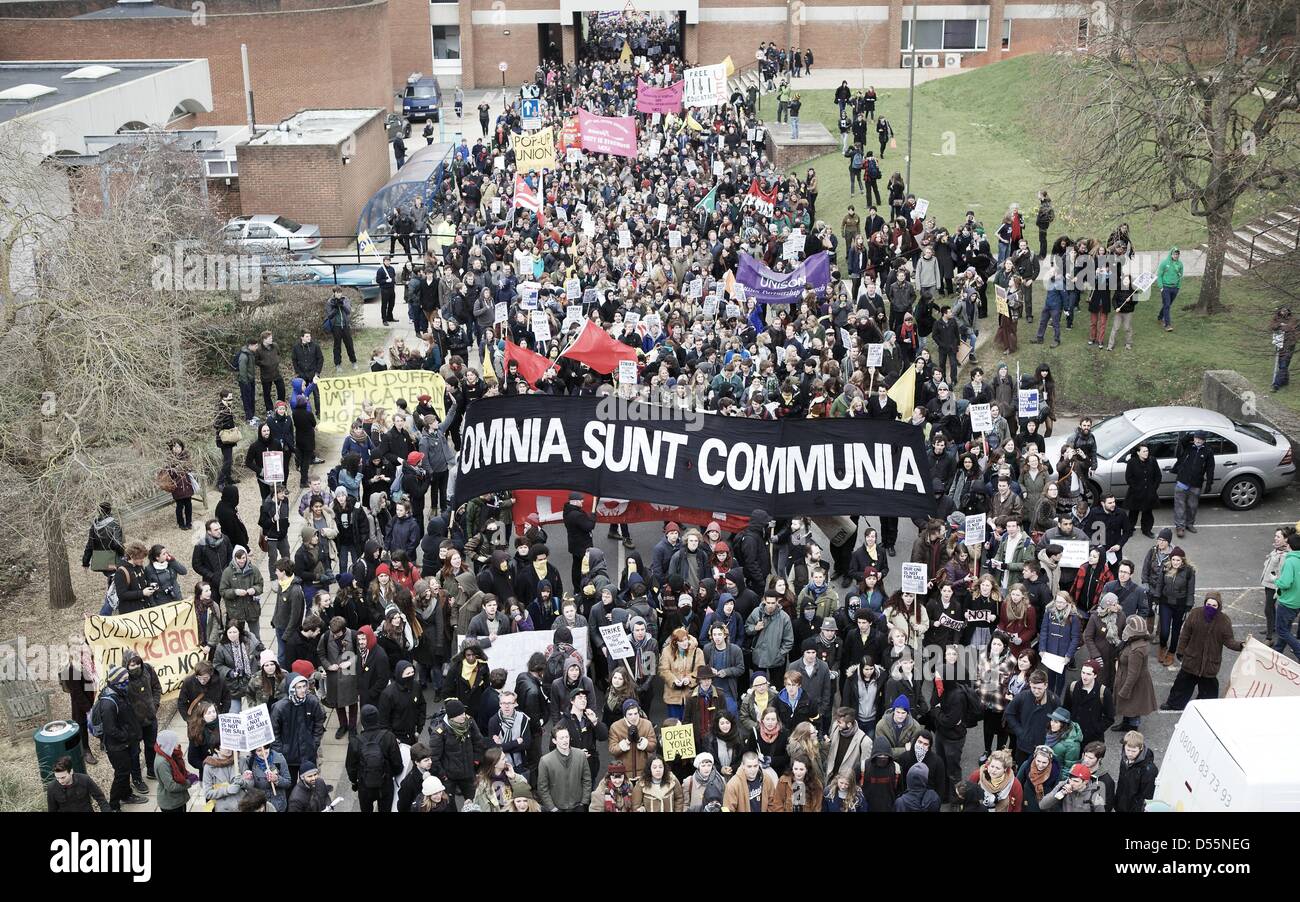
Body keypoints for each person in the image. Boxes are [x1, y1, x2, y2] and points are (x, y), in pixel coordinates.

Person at [1163, 592, 1243, 710]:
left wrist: (1241, 645)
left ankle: (1205, 708)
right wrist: (1180, 651)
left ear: (1219, 606)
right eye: (1208, 604)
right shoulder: (1195, 614)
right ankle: (1174, 704)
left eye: (1214, 605)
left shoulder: (1224, 620)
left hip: (1209, 664)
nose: (1210, 607)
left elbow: (1229, 641)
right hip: (1191, 660)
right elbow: (1185, 634)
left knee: (1209, 693)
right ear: (1205, 603)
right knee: (1181, 685)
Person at [94, 665, 146, 810]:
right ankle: (114, 804)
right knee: (121, 774)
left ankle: (126, 794)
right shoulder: (108, 703)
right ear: (117, 682)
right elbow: (110, 729)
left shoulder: (119, 693)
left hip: (126, 743)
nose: (127, 683)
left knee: (126, 771)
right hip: (117, 746)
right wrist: (126, 736)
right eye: (125, 681)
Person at [346, 703, 404, 813]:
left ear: (362, 721)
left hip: (365, 786)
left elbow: (351, 767)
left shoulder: (355, 741)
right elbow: (397, 764)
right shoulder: (389, 736)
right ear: (377, 718)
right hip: (385, 784)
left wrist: (354, 782)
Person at [427, 698, 486, 807]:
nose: (464, 716)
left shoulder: (470, 723)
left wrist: (476, 761)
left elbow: (479, 742)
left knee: (475, 803)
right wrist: (443, 775)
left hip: (468, 773)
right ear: (452, 717)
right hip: (449, 777)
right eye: (460, 714)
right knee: (449, 805)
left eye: (464, 712)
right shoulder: (440, 732)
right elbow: (434, 757)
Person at [270, 673, 327, 785]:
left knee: (310, 785)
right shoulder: (280, 707)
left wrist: (314, 742)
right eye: (298, 687)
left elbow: (319, 722)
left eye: (304, 686)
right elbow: (274, 732)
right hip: (288, 757)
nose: (302, 690)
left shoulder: (312, 701)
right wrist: (280, 752)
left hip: (308, 754)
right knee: (289, 787)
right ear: (291, 689)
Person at [1113, 615, 1157, 732]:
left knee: (1133, 708)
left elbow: (1133, 674)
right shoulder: (1136, 641)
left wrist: (1125, 690)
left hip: (1134, 684)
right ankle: (1125, 724)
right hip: (1129, 679)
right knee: (1128, 707)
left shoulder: (1136, 650)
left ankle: (1132, 731)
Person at [1171, 432, 1214, 537]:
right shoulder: (1188, 446)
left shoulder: (1208, 451)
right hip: (1182, 481)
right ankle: (1180, 527)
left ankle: (1189, 524)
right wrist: (1191, 434)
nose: (1198, 441)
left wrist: (1209, 483)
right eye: (1196, 438)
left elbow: (1210, 468)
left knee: (1192, 506)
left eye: (1200, 439)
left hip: (1196, 483)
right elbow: (1182, 441)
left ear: (1204, 440)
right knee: (1179, 505)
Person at [956, 748, 1023, 812]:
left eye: (997, 768)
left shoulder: (1014, 784)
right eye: (992, 766)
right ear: (988, 764)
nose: (993, 771)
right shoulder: (977, 775)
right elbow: (967, 795)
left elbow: (1017, 807)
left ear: (1005, 769)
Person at [1114, 730, 1158, 812]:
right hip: (1121, 804)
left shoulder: (1149, 770)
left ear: (1141, 748)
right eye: (1128, 750)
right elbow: (1121, 782)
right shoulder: (1125, 758)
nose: (1130, 754)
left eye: (1134, 751)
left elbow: (1147, 796)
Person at [1272, 533, 1300, 659]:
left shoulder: (1290, 561)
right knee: (1285, 630)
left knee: (1282, 631)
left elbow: (1285, 583)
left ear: (1290, 546)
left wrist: (1275, 580)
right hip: (1297, 602)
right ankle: (1277, 653)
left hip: (1287, 602)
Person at [1040, 762, 1107, 812]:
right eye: (1070, 779)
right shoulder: (1063, 785)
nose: (1071, 783)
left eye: (1076, 781)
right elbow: (1042, 805)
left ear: (1085, 782)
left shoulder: (1095, 796)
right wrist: (1060, 793)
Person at [1155, 246, 1182, 331]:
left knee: (1167, 304)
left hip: (1175, 288)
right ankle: (1167, 325)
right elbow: (1159, 275)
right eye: (1174, 253)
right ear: (1171, 254)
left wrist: (1178, 287)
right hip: (1165, 287)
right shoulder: (1164, 263)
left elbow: (1180, 276)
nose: (1176, 255)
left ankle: (1160, 317)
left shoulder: (1180, 264)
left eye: (1177, 254)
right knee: (1167, 305)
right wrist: (1161, 287)